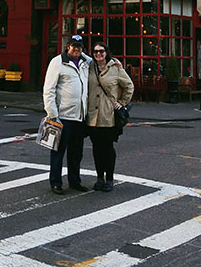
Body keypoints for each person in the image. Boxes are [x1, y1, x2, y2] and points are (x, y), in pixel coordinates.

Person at [42, 34, 91, 194]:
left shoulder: (85, 63)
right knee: (58, 151)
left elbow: (98, 61)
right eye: (73, 46)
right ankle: (56, 182)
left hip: (80, 117)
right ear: (67, 46)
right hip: (62, 117)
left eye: (79, 47)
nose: (76, 49)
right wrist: (52, 114)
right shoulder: (57, 62)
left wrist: (114, 62)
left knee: (76, 153)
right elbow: (48, 90)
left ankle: (74, 181)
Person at [86, 42, 134, 192]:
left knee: (107, 148)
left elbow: (129, 86)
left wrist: (122, 103)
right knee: (96, 148)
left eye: (101, 51)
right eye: (95, 52)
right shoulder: (90, 66)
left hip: (108, 115)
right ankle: (99, 178)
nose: (98, 54)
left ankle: (109, 179)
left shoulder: (116, 68)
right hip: (93, 115)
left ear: (106, 52)